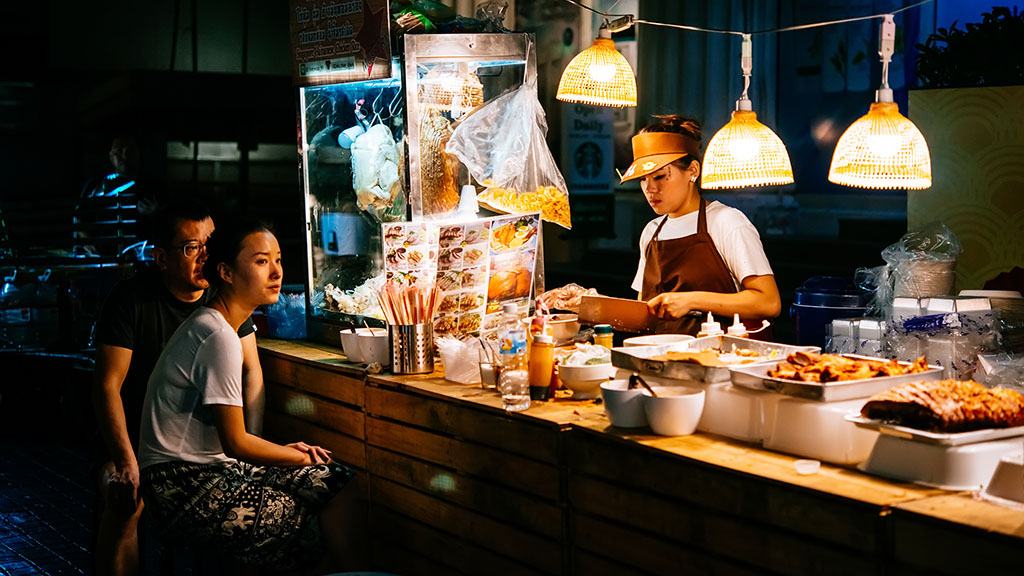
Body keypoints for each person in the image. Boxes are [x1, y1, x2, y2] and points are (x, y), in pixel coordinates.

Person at [138, 217, 357, 572]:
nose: (276, 272)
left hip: (212, 470)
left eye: (279, 259)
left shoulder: (221, 327)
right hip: (179, 487)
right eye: (260, 261)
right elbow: (237, 443)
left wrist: (284, 453)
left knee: (337, 481)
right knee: (296, 516)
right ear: (225, 271)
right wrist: (297, 458)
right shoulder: (217, 336)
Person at [91, 200, 265, 576]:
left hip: (207, 453)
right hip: (134, 444)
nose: (204, 256)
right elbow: (107, 386)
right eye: (190, 248)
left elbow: (253, 374)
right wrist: (126, 461)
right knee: (125, 500)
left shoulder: (224, 296)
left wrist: (250, 444)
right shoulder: (131, 300)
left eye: (209, 244)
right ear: (161, 258)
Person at [622, 114, 781, 335]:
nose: (650, 189)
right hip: (659, 359)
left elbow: (768, 303)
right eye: (643, 179)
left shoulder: (727, 222)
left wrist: (691, 301)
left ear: (693, 171)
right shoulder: (651, 233)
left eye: (659, 177)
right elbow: (643, 312)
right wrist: (592, 305)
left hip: (718, 358)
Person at [74, 134, 158, 257]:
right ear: (110, 155)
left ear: (138, 153)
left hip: (139, 258)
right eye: (118, 152)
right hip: (102, 258)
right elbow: (78, 218)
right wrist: (88, 241)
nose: (124, 157)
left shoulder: (151, 186)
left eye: (129, 151)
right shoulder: (95, 185)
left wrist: (156, 214)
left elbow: (170, 223)